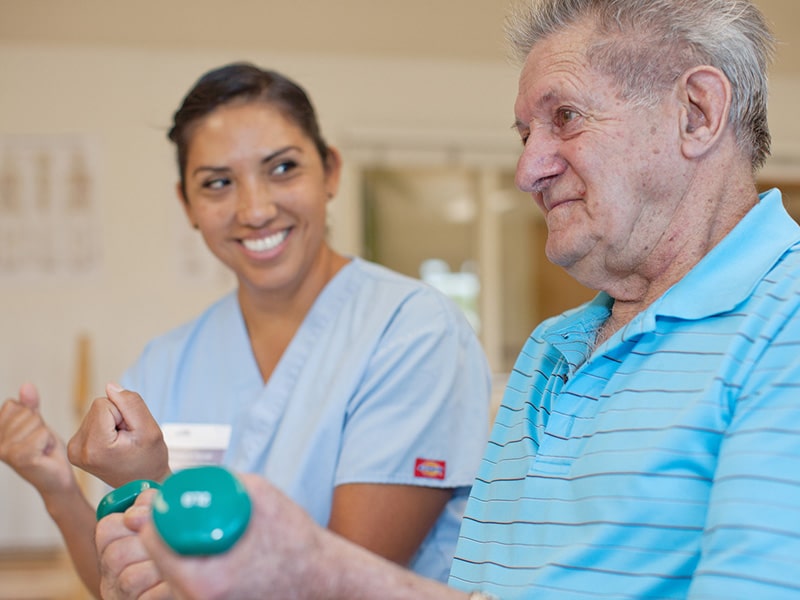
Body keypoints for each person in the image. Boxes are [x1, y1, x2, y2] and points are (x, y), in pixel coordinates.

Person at [94, 0, 800, 598]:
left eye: (567, 118)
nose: (527, 169)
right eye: (526, 134)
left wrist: (309, 567)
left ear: (698, 113)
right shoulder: (549, 353)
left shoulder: (785, 321)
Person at [0, 63, 492, 598]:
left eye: (282, 168)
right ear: (187, 204)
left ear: (329, 171)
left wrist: (161, 486)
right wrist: (57, 489)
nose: (255, 210)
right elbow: (117, 580)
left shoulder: (412, 331)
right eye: (217, 183)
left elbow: (340, 579)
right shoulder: (166, 362)